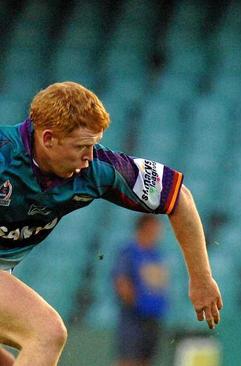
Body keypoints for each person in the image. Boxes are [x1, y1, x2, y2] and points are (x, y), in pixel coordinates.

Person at [0, 81, 222, 365]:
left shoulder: (97, 170)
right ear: (48, 138)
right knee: (46, 333)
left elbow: (179, 197)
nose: (89, 156)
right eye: (82, 146)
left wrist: (201, 279)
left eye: (93, 145)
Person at [112, 215, 168, 366]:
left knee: (147, 360)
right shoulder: (129, 252)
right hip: (134, 318)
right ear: (144, 228)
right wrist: (138, 304)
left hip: (153, 318)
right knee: (129, 359)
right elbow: (121, 282)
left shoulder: (156, 254)